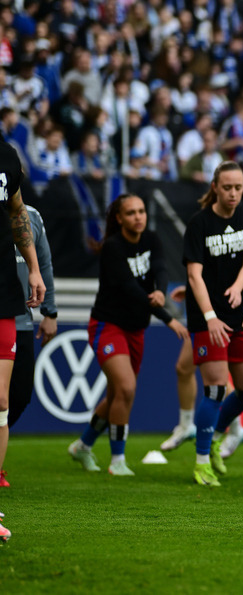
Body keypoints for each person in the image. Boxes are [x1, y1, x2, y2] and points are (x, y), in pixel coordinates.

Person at [67, 194, 188, 476]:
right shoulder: (113, 247)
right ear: (119, 218)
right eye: (131, 213)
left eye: (141, 211)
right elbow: (129, 289)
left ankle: (83, 446)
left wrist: (160, 291)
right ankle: (117, 460)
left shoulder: (152, 239)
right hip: (108, 325)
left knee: (117, 394)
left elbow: (160, 269)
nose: (138, 217)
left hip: (136, 329)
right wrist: (168, 318)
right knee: (126, 388)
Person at [183, 161, 243, 486]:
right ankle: (202, 461)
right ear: (214, 187)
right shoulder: (199, 222)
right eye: (227, 187)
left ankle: (214, 436)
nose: (233, 193)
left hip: (238, 314)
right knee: (215, 389)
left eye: (238, 187)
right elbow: (194, 275)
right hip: (207, 317)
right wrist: (210, 317)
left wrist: (239, 288)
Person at [0, 140, 46, 543]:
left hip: (5, 296)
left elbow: (17, 212)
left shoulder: (7, 156)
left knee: (4, 400)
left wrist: (33, 268)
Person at [158, 286, 243, 457]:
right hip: (202, 310)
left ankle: (235, 429)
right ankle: (186, 425)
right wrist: (192, 289)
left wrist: (196, 287)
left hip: (214, 313)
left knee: (216, 377)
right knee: (184, 369)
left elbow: (215, 274)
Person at [3, 204, 58, 487]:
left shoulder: (32, 217)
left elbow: (44, 263)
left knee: (20, 395)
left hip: (21, 320)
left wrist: (50, 311)